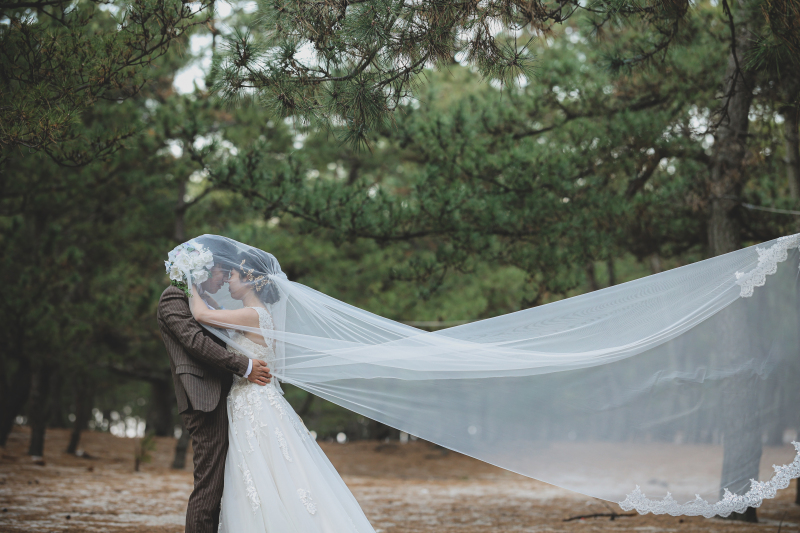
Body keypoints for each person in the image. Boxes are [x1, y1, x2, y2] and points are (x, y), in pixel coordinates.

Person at [188, 247, 376, 532]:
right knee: (270, 476)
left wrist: (187, 278)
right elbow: (212, 309)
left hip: (253, 407)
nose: (228, 281)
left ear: (251, 279)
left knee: (263, 475)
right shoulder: (257, 314)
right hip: (255, 401)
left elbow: (202, 314)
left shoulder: (251, 315)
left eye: (233, 275)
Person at [157, 237, 272, 533]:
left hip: (230, 398)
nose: (224, 281)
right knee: (209, 488)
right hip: (204, 399)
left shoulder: (208, 302)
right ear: (207, 269)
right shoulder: (174, 297)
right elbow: (195, 342)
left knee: (225, 485)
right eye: (223, 272)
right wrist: (245, 366)